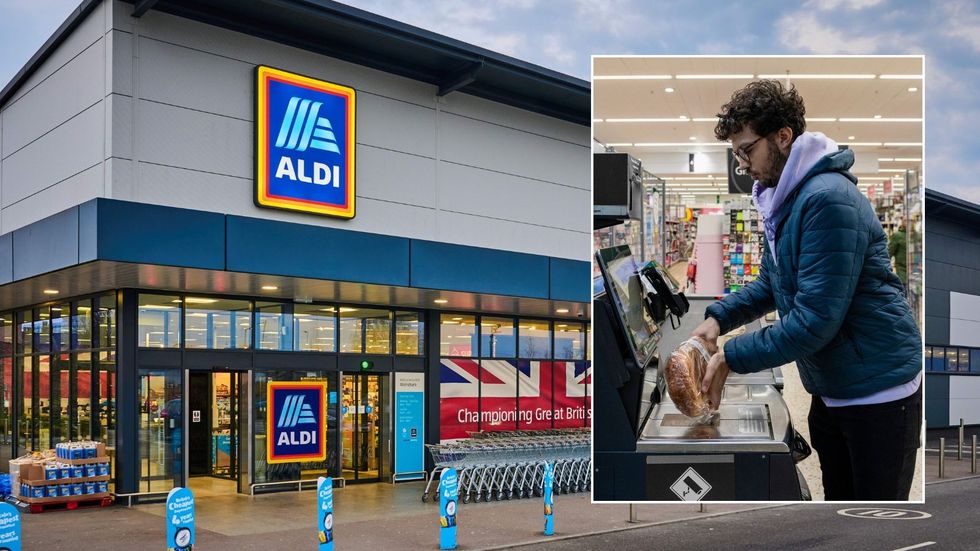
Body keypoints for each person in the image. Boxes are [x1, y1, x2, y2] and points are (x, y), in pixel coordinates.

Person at [691, 80, 922, 501]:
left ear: (783, 136)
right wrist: (718, 318)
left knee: (873, 519)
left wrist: (732, 357)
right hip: (834, 384)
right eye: (736, 153)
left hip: (879, 390)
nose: (742, 165)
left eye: (747, 149)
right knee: (839, 507)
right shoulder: (782, 199)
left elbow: (815, 321)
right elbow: (770, 282)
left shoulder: (827, 199)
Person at [889, 222, 908, 296]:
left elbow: (889, 253)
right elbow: (889, 253)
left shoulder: (914, 235)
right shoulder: (898, 235)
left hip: (906, 273)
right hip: (905, 273)